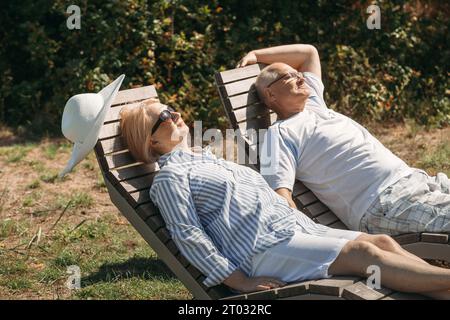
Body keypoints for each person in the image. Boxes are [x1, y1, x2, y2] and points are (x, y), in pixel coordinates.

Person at [119, 98, 450, 299]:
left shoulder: (205, 159)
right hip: (262, 252)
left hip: (294, 231)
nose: (176, 116)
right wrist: (240, 281)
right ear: (149, 142)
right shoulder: (169, 178)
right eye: (165, 117)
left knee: (382, 242)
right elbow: (188, 234)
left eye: (173, 110)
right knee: (363, 252)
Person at [236, 44, 450, 236]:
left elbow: (308, 52)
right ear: (271, 95)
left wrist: (255, 53)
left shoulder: (314, 103)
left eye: (297, 72)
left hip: (417, 181)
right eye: (289, 76)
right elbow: (281, 195)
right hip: (384, 204)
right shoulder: (280, 134)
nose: (300, 76)